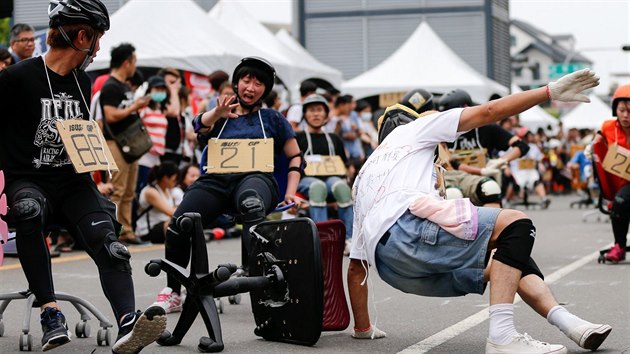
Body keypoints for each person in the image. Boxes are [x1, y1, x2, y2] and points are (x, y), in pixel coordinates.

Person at [347, 69, 612, 353]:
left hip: (397, 272)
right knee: (517, 226)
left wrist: (363, 328)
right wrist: (548, 92)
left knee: (509, 254)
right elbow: (489, 110)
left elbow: (355, 268)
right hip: (409, 233)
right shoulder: (414, 129)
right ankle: (502, 337)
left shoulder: (365, 175)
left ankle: (569, 323)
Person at [0, 1, 166, 353]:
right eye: (98, 39)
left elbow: (81, 132)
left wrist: (98, 164)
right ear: (82, 35)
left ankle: (128, 324)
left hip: (73, 182)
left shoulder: (82, 80)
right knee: (29, 210)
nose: (99, 48)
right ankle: (50, 312)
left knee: (111, 244)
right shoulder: (15, 78)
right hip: (28, 180)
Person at [152, 57, 302, 313]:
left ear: (265, 89)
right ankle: (174, 290)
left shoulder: (273, 118)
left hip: (256, 179)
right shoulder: (219, 113)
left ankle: (256, 277)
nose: (251, 87)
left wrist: (291, 191)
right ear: (236, 83)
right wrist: (218, 112)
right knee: (180, 221)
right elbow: (198, 126)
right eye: (246, 80)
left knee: (251, 203)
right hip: (217, 179)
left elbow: (295, 157)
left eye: (258, 83)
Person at [437, 89, 530, 208]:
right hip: (454, 180)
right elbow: (451, 163)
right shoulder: (442, 131)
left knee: (489, 189)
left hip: (482, 182)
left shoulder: (487, 128)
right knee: (453, 194)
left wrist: (502, 160)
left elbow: (521, 146)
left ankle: (492, 225)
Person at [100, 43, 151, 245]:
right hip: (115, 144)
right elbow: (110, 116)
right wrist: (134, 107)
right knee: (117, 191)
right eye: (134, 61)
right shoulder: (111, 85)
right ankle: (112, 232)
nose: (135, 65)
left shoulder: (123, 85)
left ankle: (127, 231)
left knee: (129, 192)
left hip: (130, 145)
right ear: (126, 62)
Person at [295, 94, 353, 248]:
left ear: (326, 114)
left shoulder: (334, 138)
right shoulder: (297, 138)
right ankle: (322, 240)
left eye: (319, 110)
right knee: (317, 187)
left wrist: (346, 178)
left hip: (331, 180)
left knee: (342, 188)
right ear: (305, 114)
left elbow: (344, 165)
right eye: (311, 110)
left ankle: (349, 239)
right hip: (306, 181)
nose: (315, 114)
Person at [599, 83, 630, 263]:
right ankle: (619, 245)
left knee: (622, 200)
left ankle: (619, 245)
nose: (626, 115)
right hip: (617, 183)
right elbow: (598, 146)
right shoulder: (607, 128)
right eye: (622, 110)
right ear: (615, 109)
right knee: (620, 200)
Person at [136, 162, 179, 244]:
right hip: (148, 230)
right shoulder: (151, 191)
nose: (176, 182)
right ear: (165, 178)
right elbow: (171, 213)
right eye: (174, 179)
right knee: (176, 223)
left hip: (162, 227)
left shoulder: (168, 190)